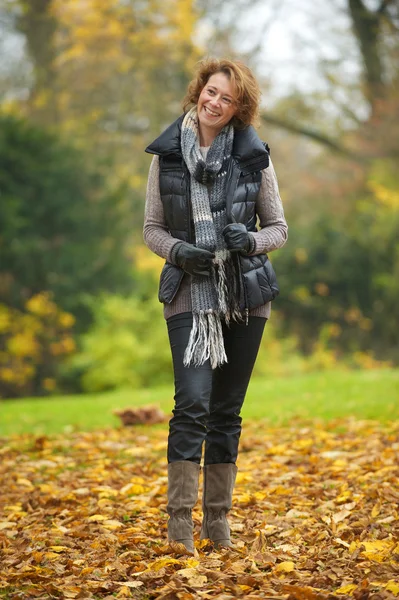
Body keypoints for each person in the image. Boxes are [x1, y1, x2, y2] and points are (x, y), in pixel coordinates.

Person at [143, 58, 288, 554]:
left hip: (245, 297)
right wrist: (178, 252)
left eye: (227, 98)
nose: (215, 102)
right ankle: (180, 526)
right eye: (211, 92)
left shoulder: (255, 157)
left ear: (238, 108)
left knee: (226, 411)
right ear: (198, 92)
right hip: (189, 293)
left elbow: (279, 229)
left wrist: (248, 241)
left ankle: (218, 523)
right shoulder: (165, 156)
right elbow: (152, 229)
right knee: (192, 405)